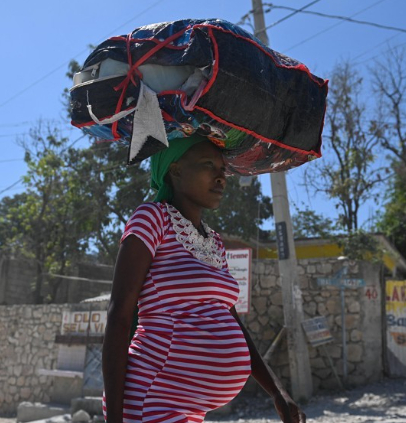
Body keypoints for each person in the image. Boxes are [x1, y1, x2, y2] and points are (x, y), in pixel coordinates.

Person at [102, 134, 305, 423]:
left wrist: (277, 392)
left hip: (192, 410)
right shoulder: (152, 219)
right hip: (151, 399)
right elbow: (119, 315)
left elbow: (232, 323)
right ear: (175, 170)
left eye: (223, 169)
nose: (221, 177)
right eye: (208, 165)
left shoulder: (214, 242)